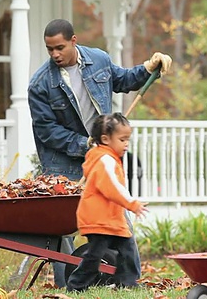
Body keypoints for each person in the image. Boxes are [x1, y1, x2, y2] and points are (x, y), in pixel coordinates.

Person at [27, 18, 171, 287]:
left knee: (118, 220)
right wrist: (85, 144)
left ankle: (130, 283)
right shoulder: (40, 84)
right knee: (65, 230)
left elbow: (124, 80)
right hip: (63, 162)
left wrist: (148, 68)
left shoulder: (99, 60)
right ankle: (65, 284)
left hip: (102, 157)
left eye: (60, 47)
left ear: (74, 40)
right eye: (49, 50)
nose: (55, 54)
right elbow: (46, 131)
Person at [66, 113, 148, 292]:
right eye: (122, 139)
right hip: (99, 219)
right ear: (105, 139)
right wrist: (132, 204)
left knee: (127, 250)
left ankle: (127, 283)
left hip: (110, 218)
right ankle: (75, 285)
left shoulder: (106, 158)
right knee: (94, 256)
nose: (126, 144)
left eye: (128, 139)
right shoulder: (105, 160)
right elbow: (112, 187)